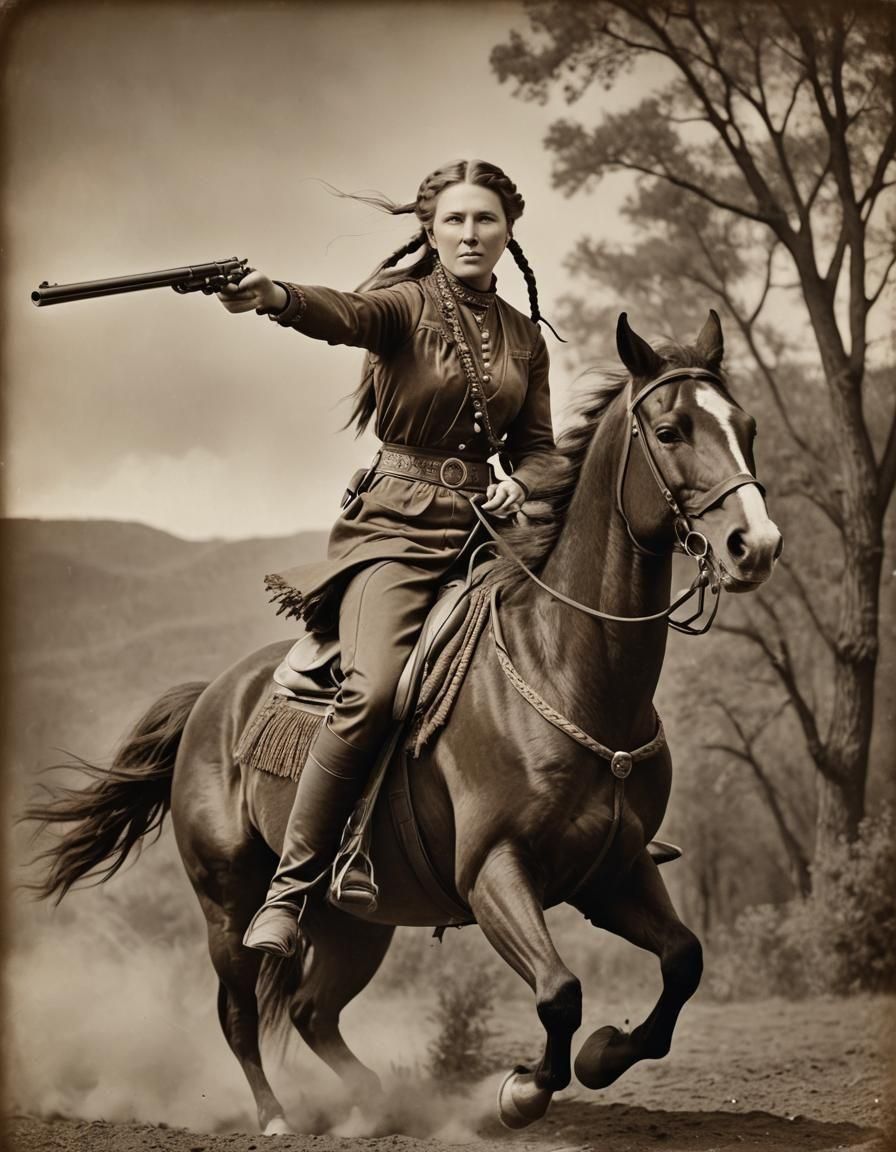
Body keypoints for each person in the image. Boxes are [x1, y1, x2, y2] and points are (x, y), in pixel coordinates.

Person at [217, 159, 558, 958]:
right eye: (454, 221)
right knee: (372, 692)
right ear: (430, 232)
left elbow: (541, 451)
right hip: (395, 532)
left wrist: (523, 484)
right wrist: (276, 297)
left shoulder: (525, 336)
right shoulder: (405, 304)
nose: (470, 234)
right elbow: (345, 314)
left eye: (485, 219)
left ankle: (597, 827)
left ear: (509, 231)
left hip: (488, 535)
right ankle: (291, 890)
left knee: (568, 647)